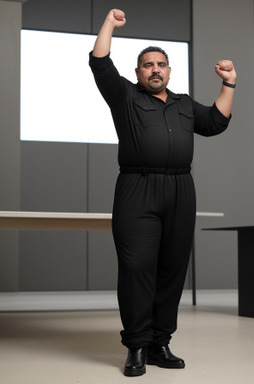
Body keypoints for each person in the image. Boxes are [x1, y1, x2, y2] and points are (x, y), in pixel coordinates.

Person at [89, 9, 236, 377]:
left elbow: (216, 123)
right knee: (137, 267)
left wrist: (229, 83)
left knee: (172, 269)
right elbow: (100, 62)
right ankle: (136, 346)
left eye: (161, 64)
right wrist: (108, 24)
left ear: (169, 70)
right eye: (147, 65)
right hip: (137, 187)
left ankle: (160, 343)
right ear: (138, 72)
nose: (155, 69)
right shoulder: (124, 96)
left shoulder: (185, 104)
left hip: (180, 190)